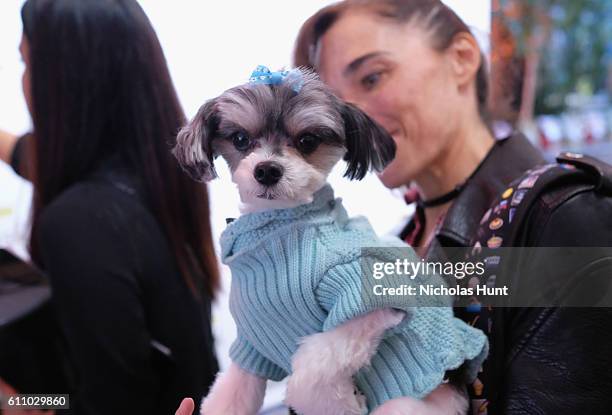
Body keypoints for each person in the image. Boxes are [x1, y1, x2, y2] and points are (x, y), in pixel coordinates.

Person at [294, 0, 612, 414]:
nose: (351, 122)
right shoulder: (393, 245)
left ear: (462, 58)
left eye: (372, 78)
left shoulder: (561, 214)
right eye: (337, 105)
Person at [0, 0, 220, 413]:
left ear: (63, 83)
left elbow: (109, 403)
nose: (24, 82)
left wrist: (20, 403)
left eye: (27, 65)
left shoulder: (78, 222)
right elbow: (34, 157)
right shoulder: (164, 175)